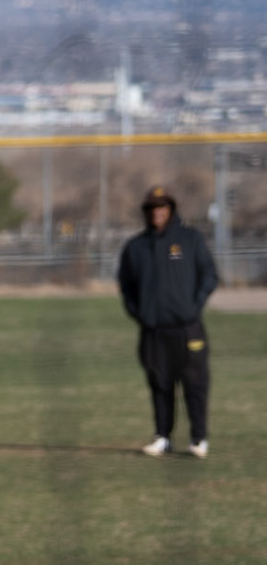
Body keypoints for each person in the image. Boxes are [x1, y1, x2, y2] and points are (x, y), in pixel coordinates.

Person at [117, 186, 218, 458]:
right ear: (146, 212)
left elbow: (209, 275)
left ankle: (198, 439)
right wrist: (139, 313)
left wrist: (193, 305)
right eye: (152, 208)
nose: (157, 212)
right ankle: (163, 437)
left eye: (162, 207)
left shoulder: (190, 239)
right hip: (153, 331)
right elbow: (126, 285)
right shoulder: (136, 247)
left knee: (195, 384)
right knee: (160, 384)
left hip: (187, 328)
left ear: (171, 209)